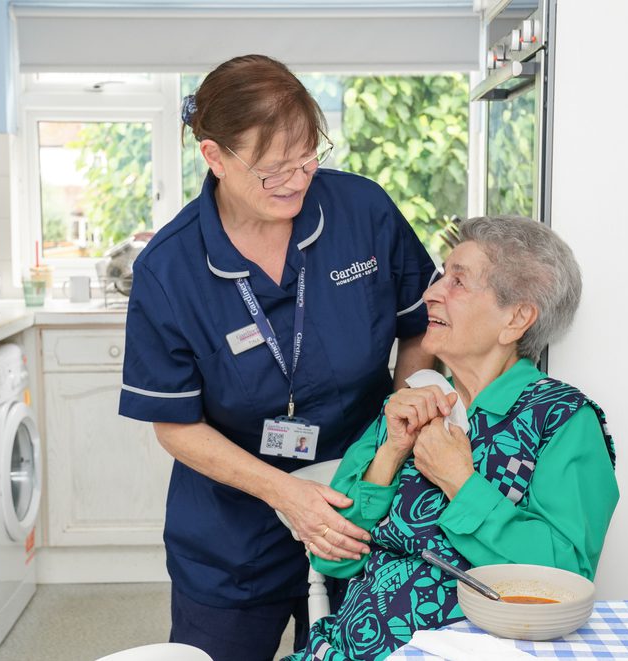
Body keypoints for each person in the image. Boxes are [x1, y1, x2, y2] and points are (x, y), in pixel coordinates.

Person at [118, 54, 437, 660]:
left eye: (308, 156)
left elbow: (420, 325)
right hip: (233, 529)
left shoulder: (362, 212)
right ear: (214, 157)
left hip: (362, 499)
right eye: (272, 170)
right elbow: (176, 426)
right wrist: (285, 494)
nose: (296, 179)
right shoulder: (169, 270)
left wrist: (402, 412)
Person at [286, 216, 619, 661]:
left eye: (458, 282)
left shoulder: (563, 421)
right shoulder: (414, 401)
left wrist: (459, 482)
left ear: (517, 318)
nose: (430, 293)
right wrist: (391, 451)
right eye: (442, 275)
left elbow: (564, 576)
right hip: (351, 649)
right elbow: (332, 559)